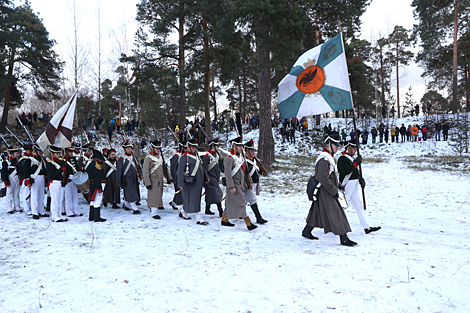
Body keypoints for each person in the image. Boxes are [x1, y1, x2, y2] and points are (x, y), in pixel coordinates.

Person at [302, 134, 357, 246]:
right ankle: (344, 238)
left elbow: (330, 176)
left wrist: (338, 185)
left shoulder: (328, 158)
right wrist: (334, 191)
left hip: (326, 190)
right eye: (335, 146)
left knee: (316, 210)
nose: (337, 148)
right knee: (337, 213)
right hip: (325, 191)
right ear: (329, 145)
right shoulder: (323, 159)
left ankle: (307, 231)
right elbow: (323, 178)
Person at [337, 139, 381, 234]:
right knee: (341, 206)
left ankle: (367, 227)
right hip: (347, 184)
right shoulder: (342, 159)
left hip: (355, 184)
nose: (355, 150)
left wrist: (361, 179)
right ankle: (333, 225)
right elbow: (347, 170)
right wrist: (356, 163)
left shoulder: (351, 159)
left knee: (359, 205)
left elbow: (355, 171)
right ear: (348, 148)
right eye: (353, 148)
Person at [221, 137, 257, 231]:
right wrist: (231, 186)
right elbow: (228, 174)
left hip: (241, 184)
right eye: (239, 146)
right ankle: (248, 223)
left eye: (241, 146)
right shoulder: (229, 158)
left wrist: (249, 183)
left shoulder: (242, 157)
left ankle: (224, 219)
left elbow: (246, 172)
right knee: (241, 202)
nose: (241, 148)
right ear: (234, 146)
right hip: (234, 184)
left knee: (229, 202)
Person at [177, 138, 209, 225]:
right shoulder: (184, 157)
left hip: (198, 182)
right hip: (189, 182)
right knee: (193, 199)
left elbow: (201, 167)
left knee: (194, 199)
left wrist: (206, 178)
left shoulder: (196, 155)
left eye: (195, 147)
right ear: (188, 147)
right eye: (192, 147)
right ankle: (199, 218)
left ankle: (183, 211)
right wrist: (180, 183)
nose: (194, 149)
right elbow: (180, 171)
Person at [143, 140, 172, 219]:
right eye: (157, 149)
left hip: (160, 179)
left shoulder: (160, 157)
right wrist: (147, 182)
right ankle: (154, 213)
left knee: (158, 194)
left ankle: (157, 206)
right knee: (153, 195)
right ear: (152, 148)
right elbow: (145, 172)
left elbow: (165, 168)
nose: (158, 150)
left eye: (159, 149)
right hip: (152, 180)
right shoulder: (148, 158)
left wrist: (169, 178)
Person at [244, 139, 268, 224]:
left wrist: (263, 172)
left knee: (243, 200)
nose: (253, 152)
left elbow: (258, 170)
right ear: (247, 151)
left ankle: (238, 213)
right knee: (253, 200)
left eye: (253, 151)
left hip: (255, 183)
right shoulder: (244, 161)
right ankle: (258, 217)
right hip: (248, 184)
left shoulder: (254, 160)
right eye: (251, 151)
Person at [23, 142, 47, 220]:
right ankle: (35, 212)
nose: (40, 152)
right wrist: (27, 181)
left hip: (41, 177)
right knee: (34, 195)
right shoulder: (29, 159)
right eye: (39, 151)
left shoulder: (41, 158)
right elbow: (26, 171)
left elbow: (44, 168)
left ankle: (41, 211)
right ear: (35, 150)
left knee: (41, 195)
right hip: (34, 178)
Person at [117, 140, 142, 214]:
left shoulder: (134, 157)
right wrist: (119, 182)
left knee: (130, 192)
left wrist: (141, 174)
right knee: (130, 192)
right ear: (124, 149)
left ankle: (126, 205)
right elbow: (119, 171)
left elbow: (138, 167)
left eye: (130, 148)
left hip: (134, 178)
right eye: (128, 149)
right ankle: (134, 208)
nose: (129, 150)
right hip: (126, 178)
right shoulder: (122, 159)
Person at [202, 138, 224, 217]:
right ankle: (220, 211)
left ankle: (207, 209)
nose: (218, 147)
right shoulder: (207, 156)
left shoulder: (216, 155)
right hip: (210, 178)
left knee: (209, 194)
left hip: (216, 177)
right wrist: (206, 179)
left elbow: (220, 167)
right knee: (217, 193)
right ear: (213, 146)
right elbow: (203, 169)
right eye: (217, 146)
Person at [46, 146, 68, 222]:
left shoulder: (60, 162)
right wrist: (61, 170)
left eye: (59, 153)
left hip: (61, 182)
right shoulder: (50, 163)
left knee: (60, 200)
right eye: (56, 153)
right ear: (52, 154)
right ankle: (54, 216)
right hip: (54, 182)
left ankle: (59, 214)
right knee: (55, 200)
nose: (58, 155)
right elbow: (52, 174)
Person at [169, 141, 190, 219]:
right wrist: (174, 178)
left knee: (179, 192)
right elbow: (173, 168)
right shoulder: (176, 156)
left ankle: (173, 202)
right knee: (179, 191)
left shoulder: (185, 156)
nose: (186, 150)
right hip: (177, 177)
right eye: (184, 148)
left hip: (183, 176)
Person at [86, 149, 107, 222]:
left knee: (93, 201)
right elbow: (97, 177)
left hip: (93, 184)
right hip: (97, 184)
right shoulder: (96, 165)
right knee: (97, 200)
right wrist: (99, 188)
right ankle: (97, 217)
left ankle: (92, 216)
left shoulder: (91, 164)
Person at [2, 145, 21, 213]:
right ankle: (9, 208)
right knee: (9, 193)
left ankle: (17, 206)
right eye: (16, 153)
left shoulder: (17, 161)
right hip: (10, 179)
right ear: (12, 154)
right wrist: (6, 181)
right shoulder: (6, 162)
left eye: (18, 153)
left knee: (17, 193)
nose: (17, 155)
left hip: (17, 178)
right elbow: (4, 172)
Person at [63, 146, 82, 217]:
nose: (71, 153)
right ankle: (69, 211)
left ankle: (75, 210)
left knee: (75, 195)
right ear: (66, 152)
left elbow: (77, 167)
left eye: (71, 152)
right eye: (69, 152)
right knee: (68, 196)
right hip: (68, 179)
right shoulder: (64, 160)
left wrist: (80, 169)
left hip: (75, 178)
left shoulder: (74, 159)